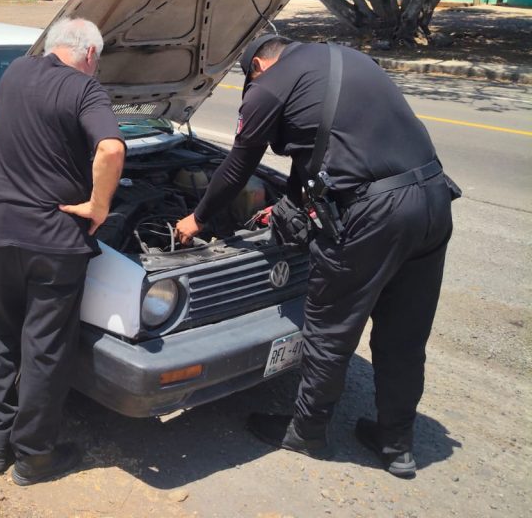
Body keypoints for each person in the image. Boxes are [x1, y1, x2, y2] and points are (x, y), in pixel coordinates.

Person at [175, 35, 454, 479]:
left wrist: (198, 218)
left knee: (330, 329)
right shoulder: (346, 58)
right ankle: (396, 443)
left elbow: (238, 166)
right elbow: (322, 151)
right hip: (433, 198)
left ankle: (307, 431)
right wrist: (290, 205)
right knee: (405, 333)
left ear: (257, 68)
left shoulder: (267, 87)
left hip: (374, 214)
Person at [0, 17, 125, 486]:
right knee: (44, 349)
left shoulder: (15, 72)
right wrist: (99, 205)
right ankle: (34, 457)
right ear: (90, 55)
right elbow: (111, 150)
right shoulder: (85, 89)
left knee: (1, 334)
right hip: (54, 242)